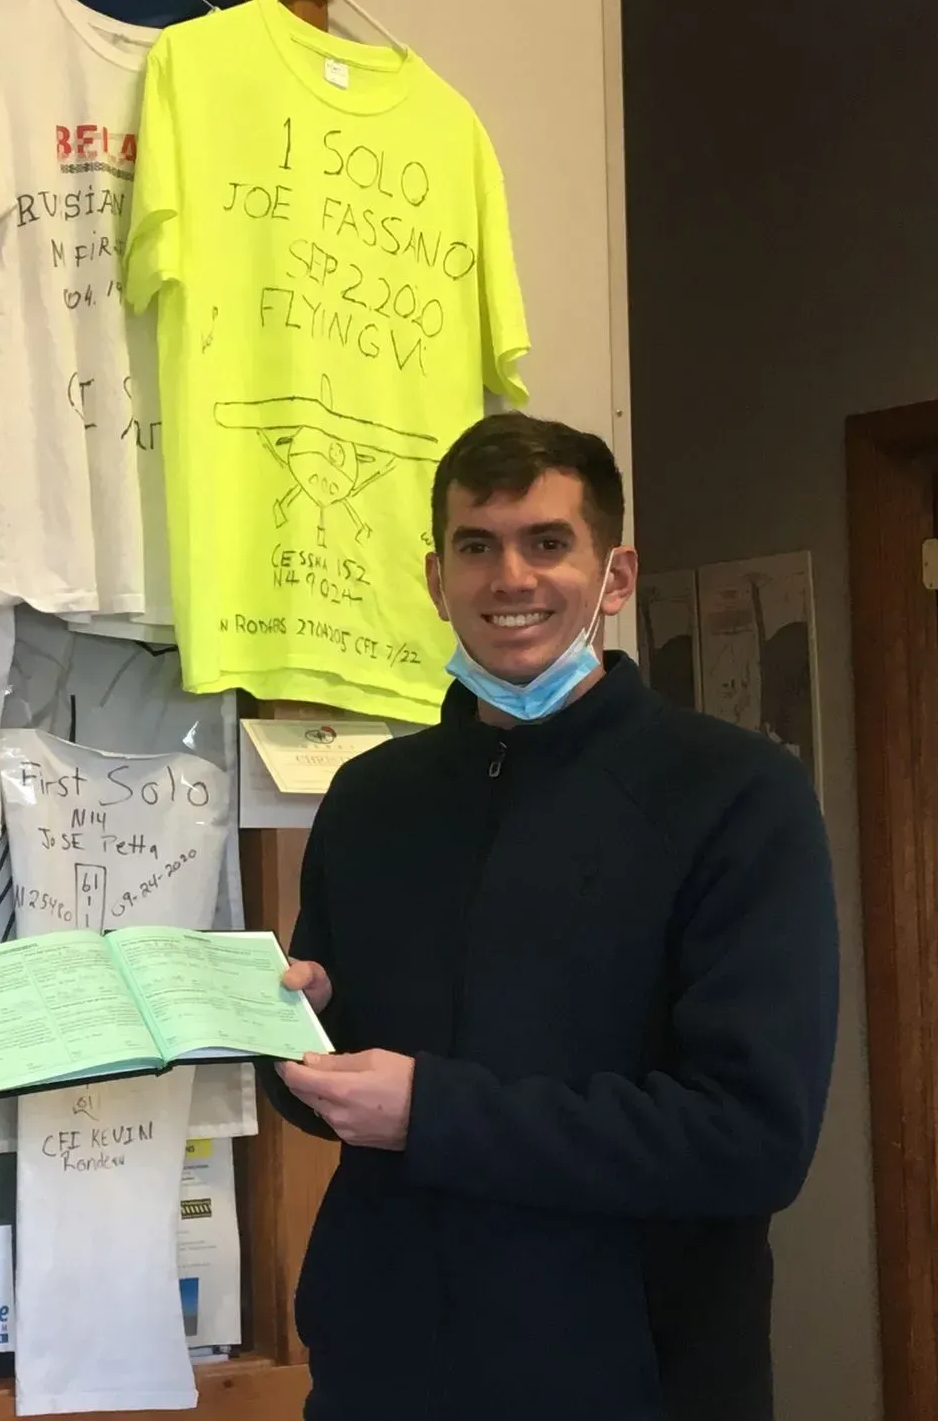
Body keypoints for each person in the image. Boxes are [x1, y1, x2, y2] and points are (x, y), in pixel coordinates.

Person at [262, 414, 838, 1421]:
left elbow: (751, 1140)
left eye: (547, 542)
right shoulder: (372, 798)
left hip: (637, 1385)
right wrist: (287, 1031)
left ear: (615, 576)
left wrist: (432, 1113)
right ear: (437, 579)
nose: (510, 578)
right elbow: (339, 1096)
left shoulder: (736, 795)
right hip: (381, 1379)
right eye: (476, 547)